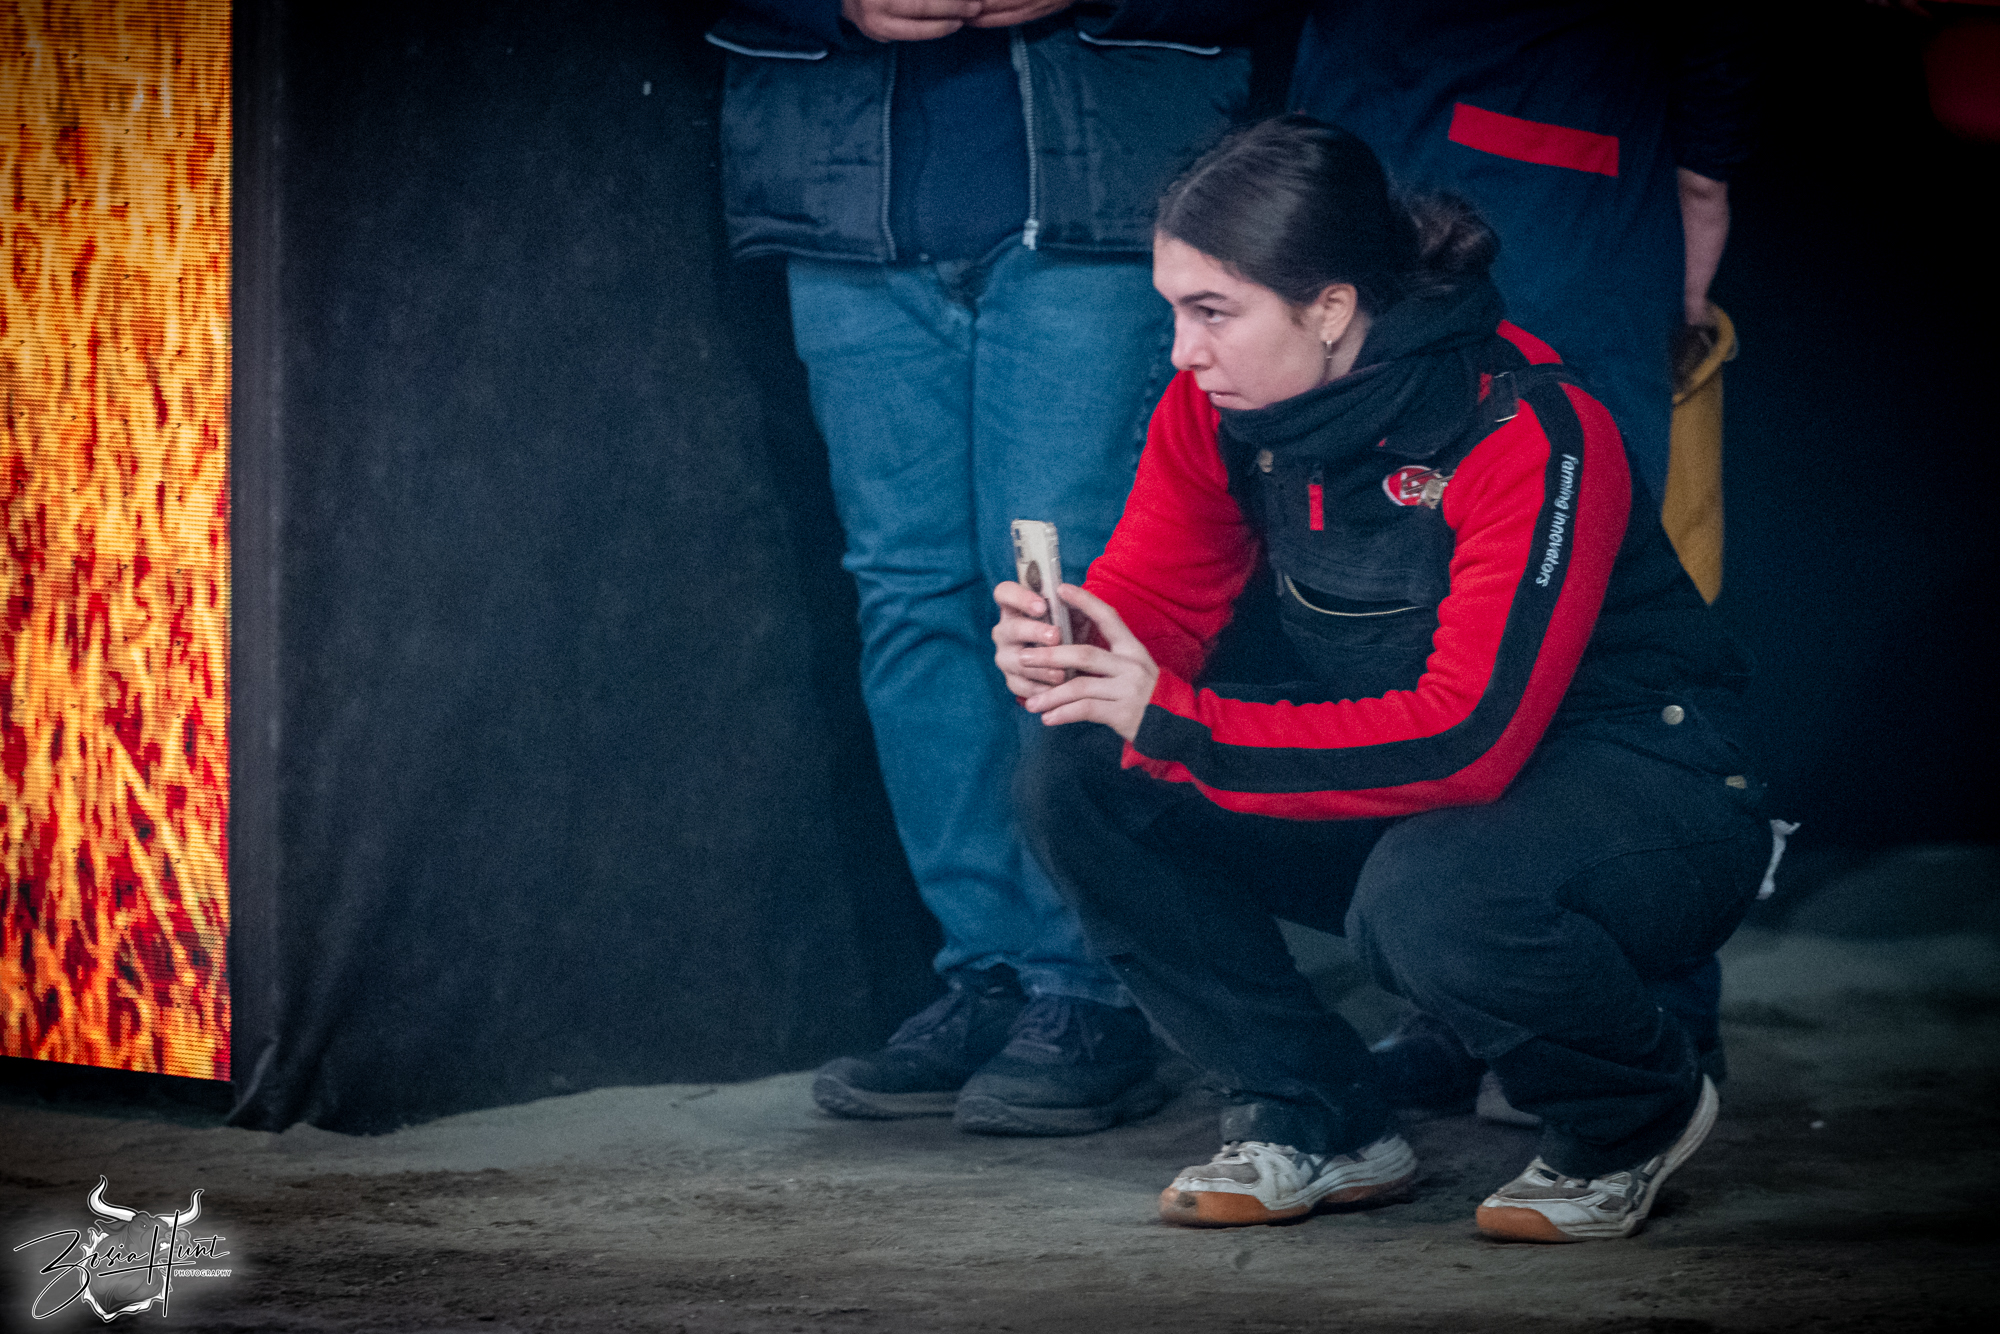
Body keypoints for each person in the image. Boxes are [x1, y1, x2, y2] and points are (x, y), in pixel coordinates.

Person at [995, 116, 1770, 1240]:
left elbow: (1466, 739)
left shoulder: (1529, 428)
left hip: (1651, 790)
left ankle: (1630, 1112)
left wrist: (1176, 721)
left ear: (1328, 308)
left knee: (1429, 895)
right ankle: (1316, 1116)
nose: (1180, 351)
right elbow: (1156, 605)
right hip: (1422, 779)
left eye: (1212, 312)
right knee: (1079, 769)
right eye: (1172, 310)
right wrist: (1077, 643)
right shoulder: (1216, 410)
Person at [704, 0, 1267, 1134]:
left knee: (1063, 597)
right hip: (849, 223)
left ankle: (1095, 983)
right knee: (907, 597)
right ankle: (990, 971)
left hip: (1101, 207)